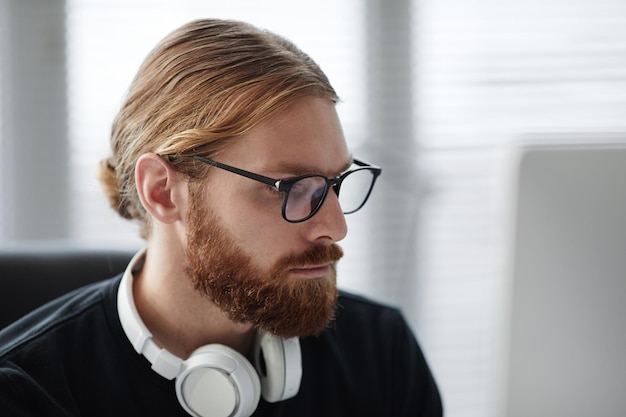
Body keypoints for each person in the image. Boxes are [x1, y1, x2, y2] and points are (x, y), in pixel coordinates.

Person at [0, 19, 442, 416]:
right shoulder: (27, 394)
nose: (336, 226)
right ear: (162, 191)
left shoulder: (383, 355)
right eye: (290, 187)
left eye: (336, 182)